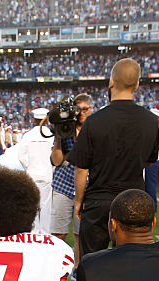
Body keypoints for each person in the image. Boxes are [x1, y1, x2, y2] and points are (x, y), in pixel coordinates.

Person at [68, 58, 159, 257]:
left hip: (99, 200)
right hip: (134, 199)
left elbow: (81, 169)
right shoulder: (151, 121)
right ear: (137, 84)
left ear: (111, 81)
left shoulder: (93, 122)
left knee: (91, 264)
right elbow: (149, 160)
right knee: (133, 263)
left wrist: (78, 202)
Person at [50, 93, 93, 267]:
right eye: (78, 109)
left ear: (91, 109)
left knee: (79, 235)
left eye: (85, 109)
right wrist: (58, 138)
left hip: (86, 188)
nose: (82, 113)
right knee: (58, 234)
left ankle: (77, 268)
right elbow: (57, 161)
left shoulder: (95, 129)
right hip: (63, 186)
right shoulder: (65, 128)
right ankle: (54, 268)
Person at [19, 107, 55, 233]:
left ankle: (34, 231)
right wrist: (51, 168)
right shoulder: (51, 135)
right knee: (46, 206)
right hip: (46, 173)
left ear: (33, 119)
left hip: (32, 173)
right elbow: (55, 156)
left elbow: (21, 156)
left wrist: (29, 166)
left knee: (33, 203)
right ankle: (45, 232)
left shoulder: (28, 135)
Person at [143, 107, 159, 204]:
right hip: (150, 157)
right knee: (147, 183)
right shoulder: (153, 127)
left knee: (150, 184)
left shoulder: (158, 128)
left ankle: (152, 206)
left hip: (153, 158)